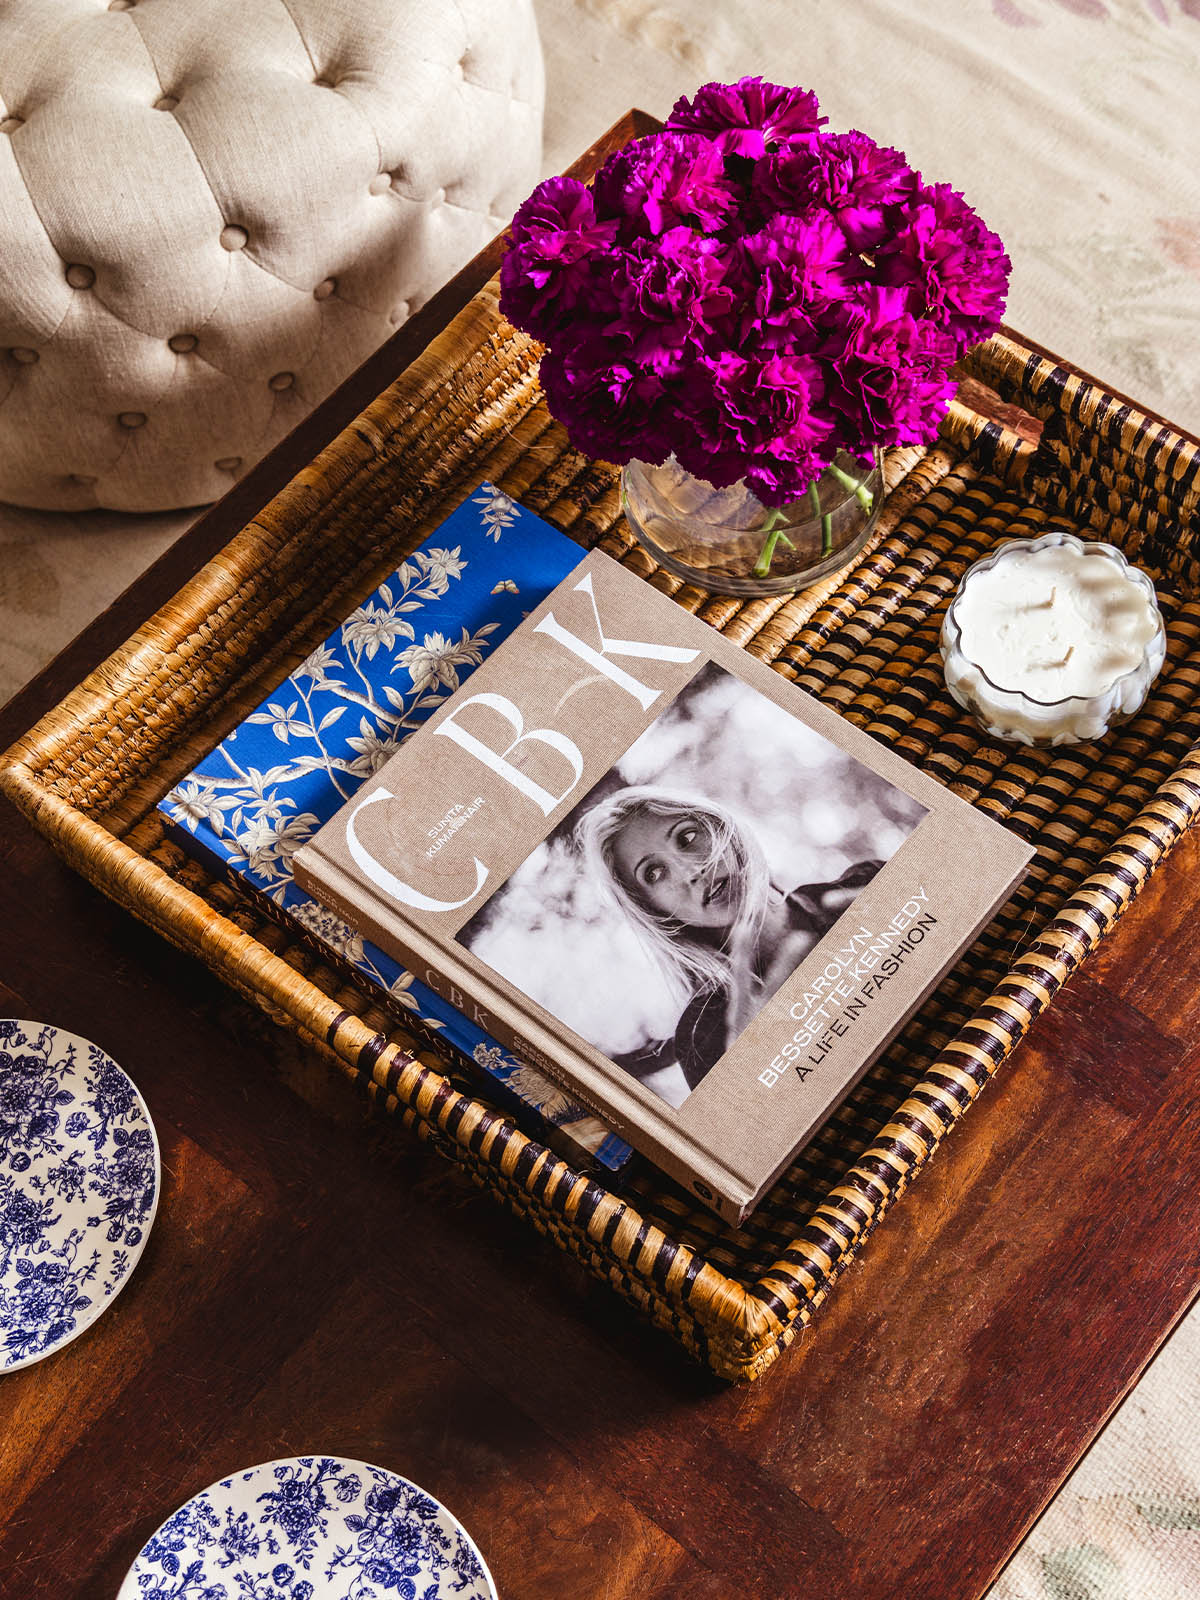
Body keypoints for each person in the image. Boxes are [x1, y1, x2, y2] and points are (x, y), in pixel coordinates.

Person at [576, 786, 882, 1092]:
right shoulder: (704, 1038)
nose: (692, 871)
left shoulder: (867, 884)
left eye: (687, 837)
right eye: (654, 873)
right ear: (652, 908)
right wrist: (758, 1067)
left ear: (722, 828)